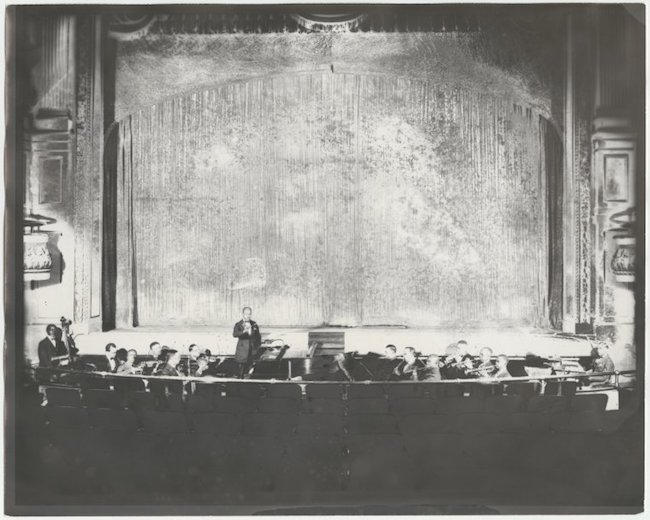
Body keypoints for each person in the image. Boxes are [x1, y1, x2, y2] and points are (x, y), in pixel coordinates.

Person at [233, 306, 262, 379]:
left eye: (249, 314)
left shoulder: (254, 324)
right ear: (243, 314)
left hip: (252, 351)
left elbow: (258, 336)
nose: (248, 316)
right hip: (242, 351)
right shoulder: (238, 324)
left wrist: (257, 346)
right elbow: (235, 334)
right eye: (246, 314)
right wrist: (243, 332)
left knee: (250, 371)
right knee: (241, 371)